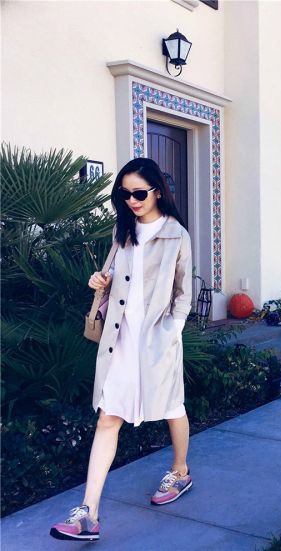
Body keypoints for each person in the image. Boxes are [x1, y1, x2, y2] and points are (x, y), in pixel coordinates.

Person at [50, 158, 193, 541]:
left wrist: (173, 331)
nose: (132, 200)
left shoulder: (176, 235)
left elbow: (183, 292)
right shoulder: (123, 230)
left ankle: (180, 470)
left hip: (158, 338)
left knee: (171, 407)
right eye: (125, 194)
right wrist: (101, 279)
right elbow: (114, 275)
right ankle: (88, 514)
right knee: (107, 417)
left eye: (139, 193)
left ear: (157, 191)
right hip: (120, 338)